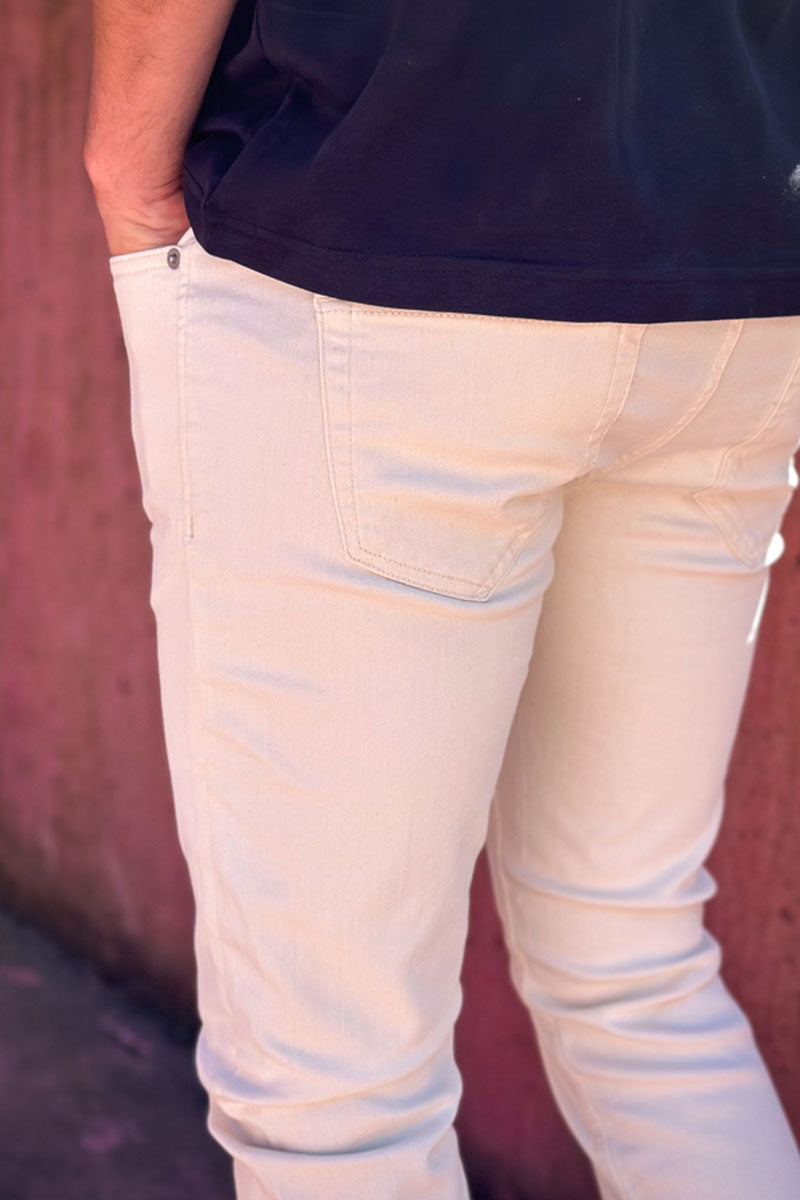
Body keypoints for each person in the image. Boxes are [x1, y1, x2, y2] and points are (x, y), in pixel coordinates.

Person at [84, 2, 800, 1197]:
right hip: (736, 265)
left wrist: (124, 158)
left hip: (386, 225)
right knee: (634, 968)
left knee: (334, 1093)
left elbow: (134, 126)